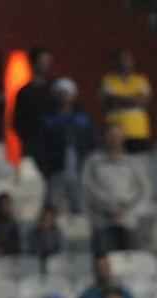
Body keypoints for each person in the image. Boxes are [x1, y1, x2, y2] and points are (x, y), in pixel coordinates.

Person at [82, 125, 152, 254]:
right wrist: (108, 207)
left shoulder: (134, 162)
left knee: (131, 261)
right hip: (102, 220)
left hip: (128, 220)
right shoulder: (93, 161)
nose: (114, 140)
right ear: (104, 138)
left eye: (117, 137)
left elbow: (144, 190)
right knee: (104, 260)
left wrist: (128, 210)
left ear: (123, 139)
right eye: (111, 136)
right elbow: (88, 188)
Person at [41, 78, 95, 214]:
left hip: (79, 168)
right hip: (55, 169)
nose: (64, 97)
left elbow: (91, 141)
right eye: (61, 93)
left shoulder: (83, 118)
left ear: (73, 95)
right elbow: (43, 145)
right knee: (53, 206)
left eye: (67, 93)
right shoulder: (48, 119)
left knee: (80, 206)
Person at [101, 49, 152, 153]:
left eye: (127, 60)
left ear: (133, 62)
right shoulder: (108, 80)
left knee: (137, 164)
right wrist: (133, 98)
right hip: (115, 133)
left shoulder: (141, 80)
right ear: (116, 62)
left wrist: (119, 98)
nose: (124, 63)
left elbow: (143, 102)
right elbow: (110, 101)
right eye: (122, 60)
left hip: (138, 131)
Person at [13, 47, 54, 167]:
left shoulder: (54, 89)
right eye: (42, 61)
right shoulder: (25, 92)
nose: (46, 65)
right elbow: (17, 121)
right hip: (32, 145)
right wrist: (28, 139)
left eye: (48, 61)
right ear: (34, 63)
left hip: (54, 146)